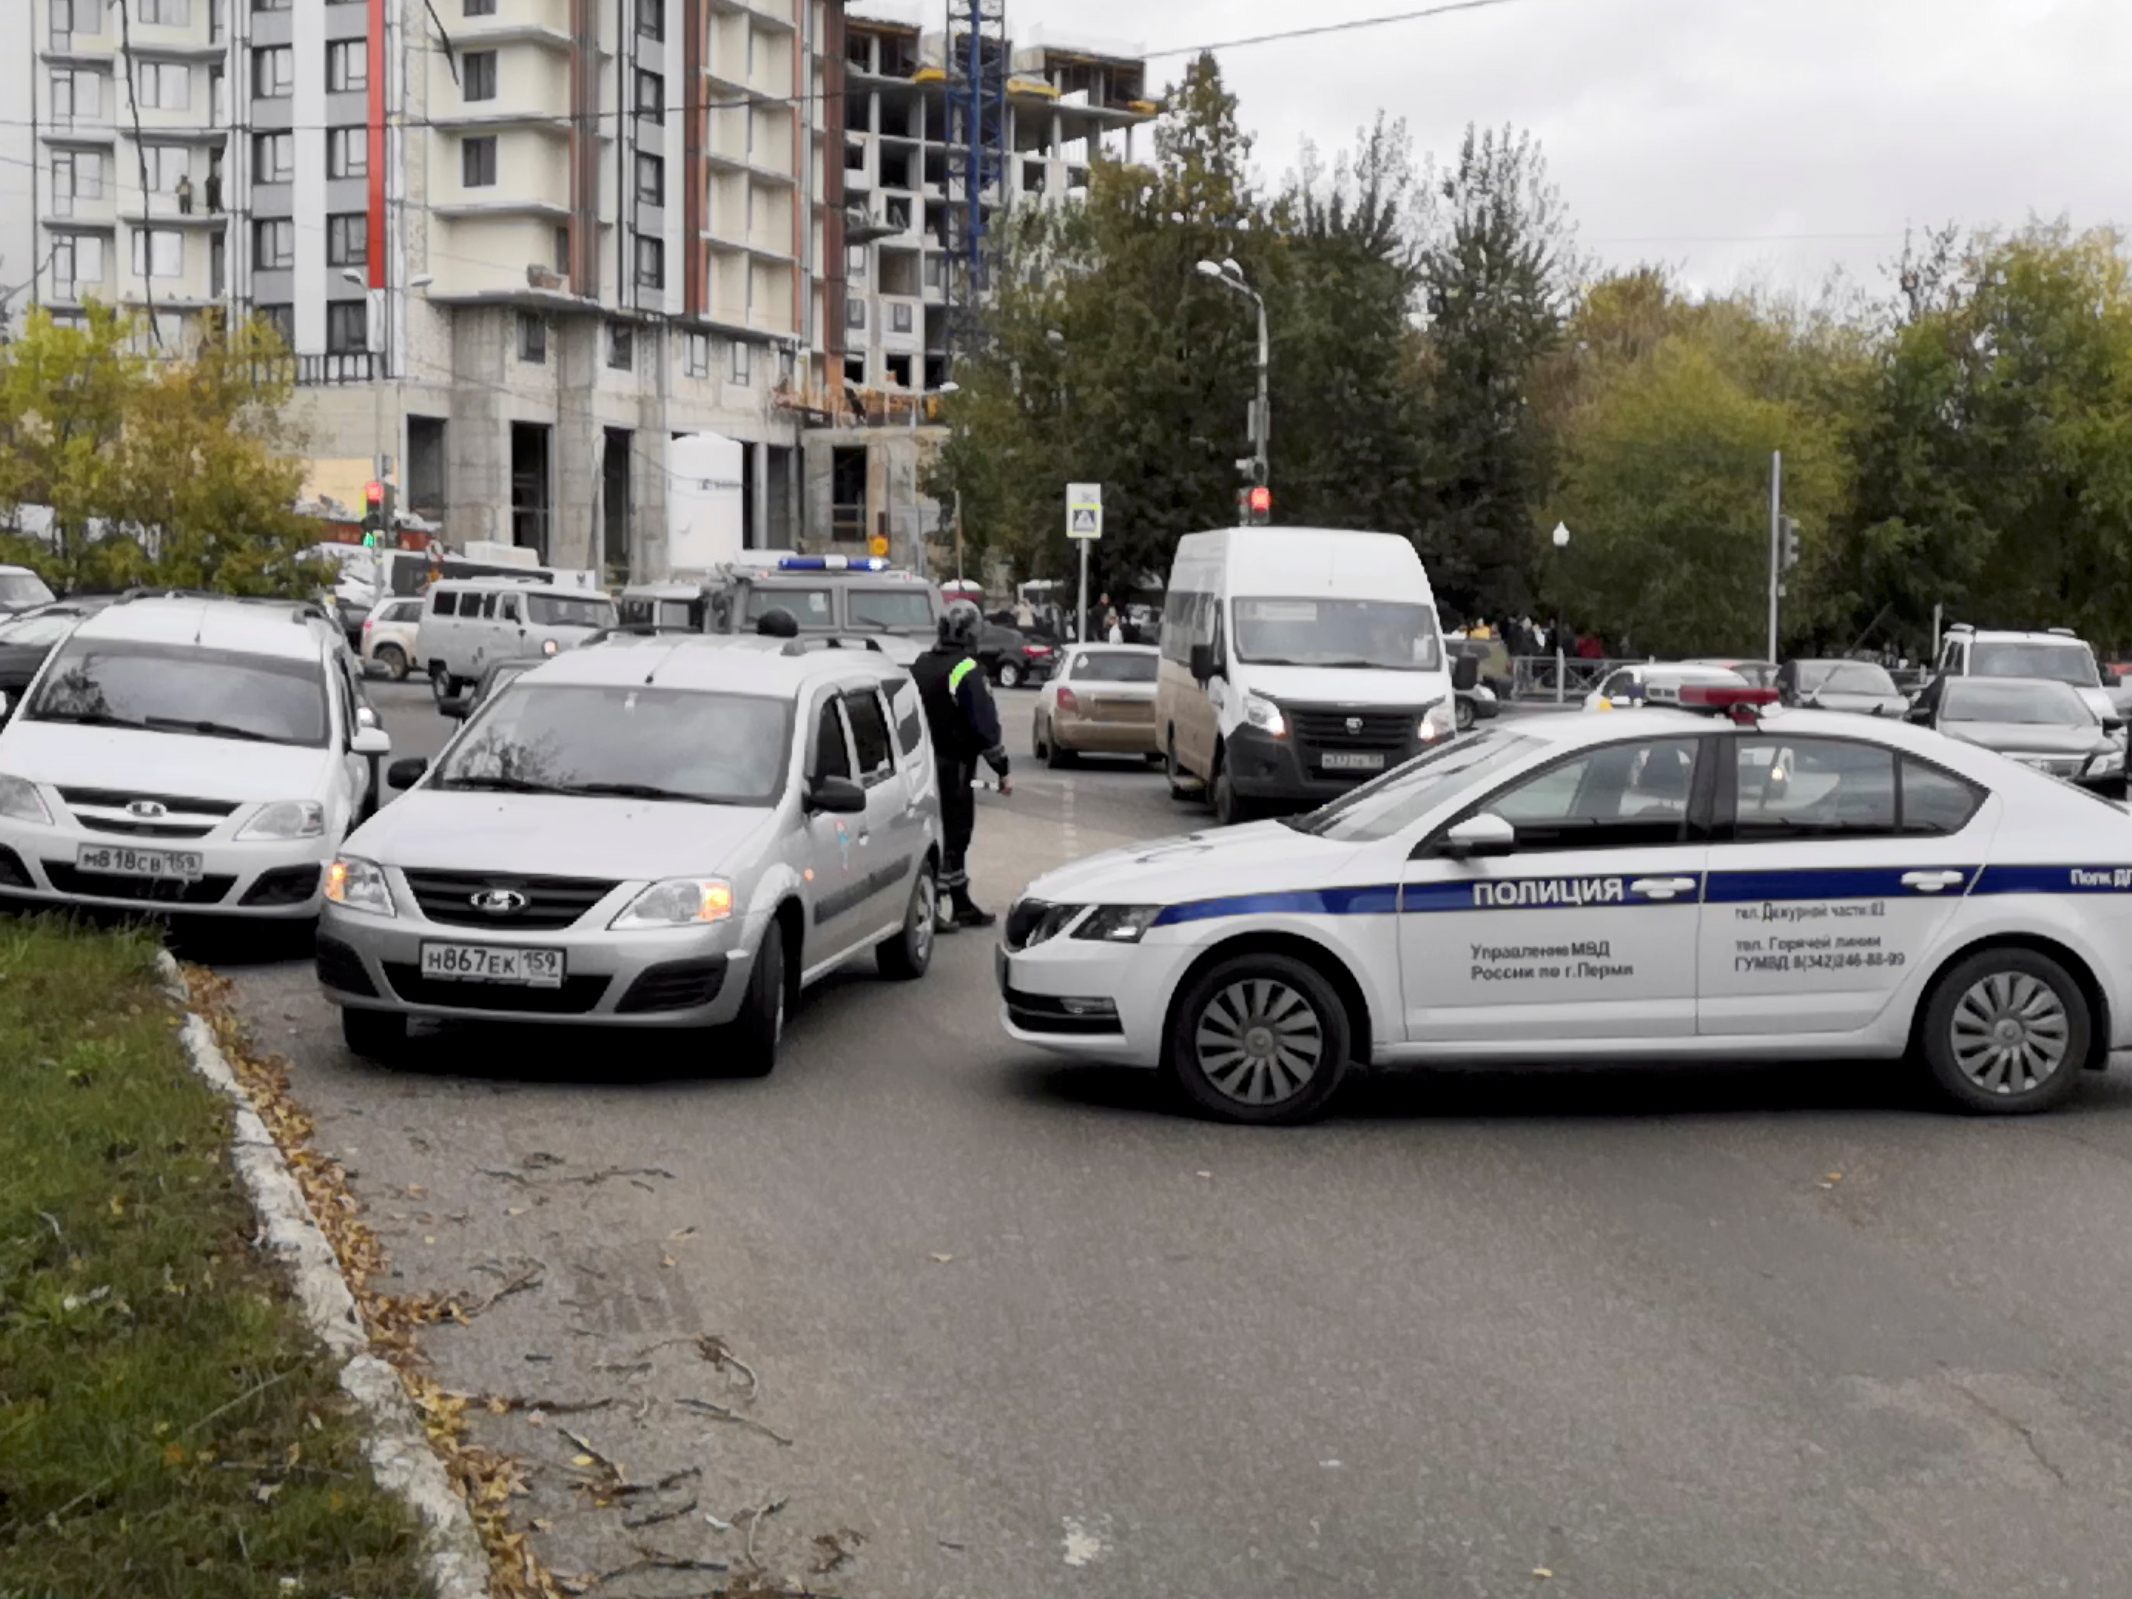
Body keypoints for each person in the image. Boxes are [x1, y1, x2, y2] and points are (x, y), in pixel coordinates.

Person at [912, 599, 1011, 930]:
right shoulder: (967, 669)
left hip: (921, 764)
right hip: (954, 765)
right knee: (955, 832)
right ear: (971, 633)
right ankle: (936, 906)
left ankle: (959, 901)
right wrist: (1000, 765)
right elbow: (983, 724)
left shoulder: (921, 664)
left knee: (938, 830)